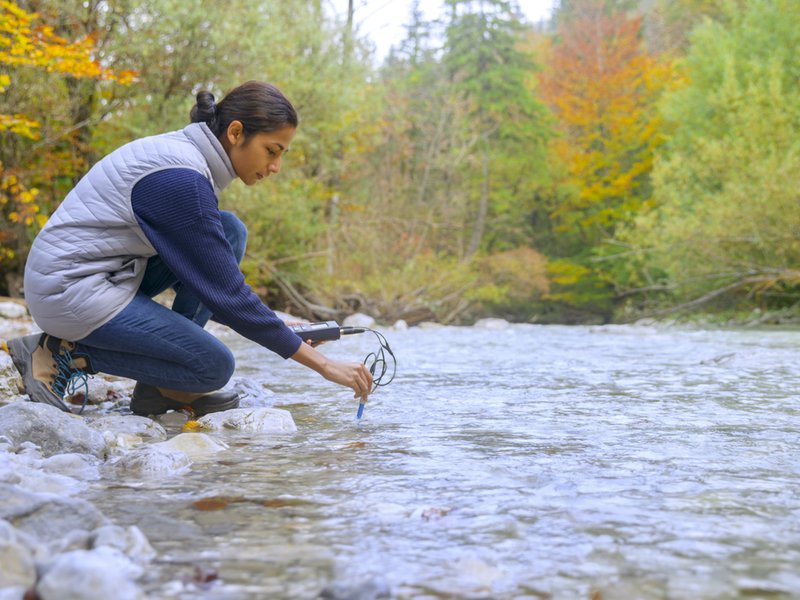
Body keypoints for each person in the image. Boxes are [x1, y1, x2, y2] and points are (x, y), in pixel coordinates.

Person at [6, 80, 373, 417]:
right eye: (271, 151)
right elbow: (227, 294)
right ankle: (62, 353)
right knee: (212, 366)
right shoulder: (181, 180)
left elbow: (212, 282)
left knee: (229, 230)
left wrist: (277, 323)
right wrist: (324, 365)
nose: (276, 166)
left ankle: (160, 389)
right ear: (235, 133)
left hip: (106, 275)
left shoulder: (187, 160)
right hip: (70, 290)